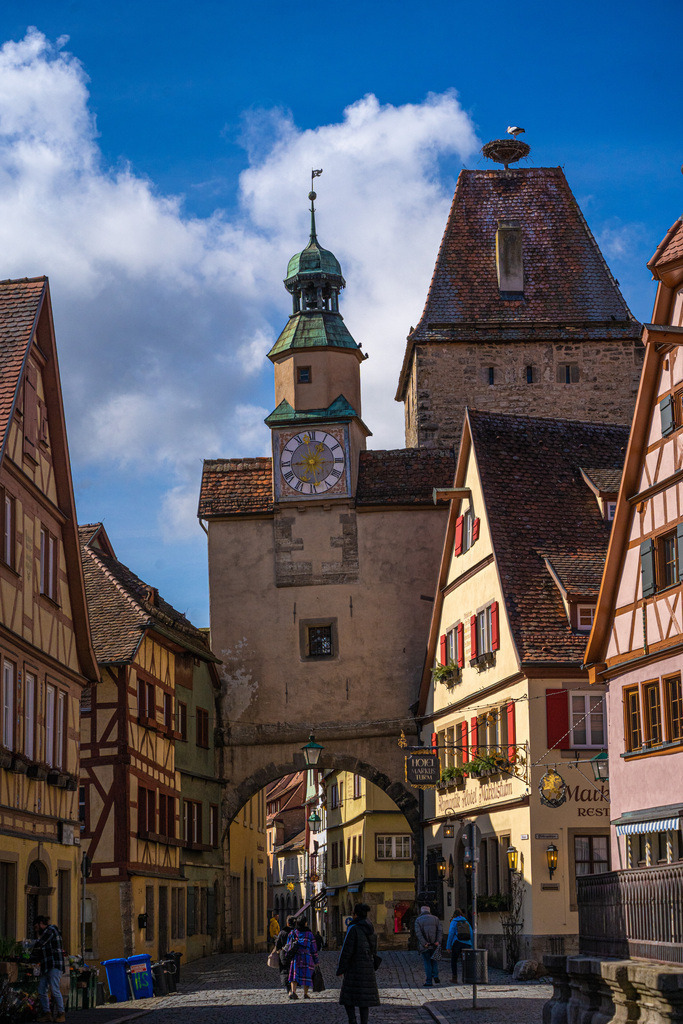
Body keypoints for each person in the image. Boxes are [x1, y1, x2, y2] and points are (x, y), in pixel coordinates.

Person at [337, 903, 380, 1024]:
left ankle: (352, 1020)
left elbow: (347, 950)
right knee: (364, 1000)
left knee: (348, 998)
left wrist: (341, 969)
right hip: (367, 968)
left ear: (355, 915)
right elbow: (374, 949)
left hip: (354, 968)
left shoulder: (354, 928)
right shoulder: (370, 927)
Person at [33, 915, 66, 1023]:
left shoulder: (50, 930)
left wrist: (28, 946)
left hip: (54, 965)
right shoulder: (47, 931)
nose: (35, 928)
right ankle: (47, 1013)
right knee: (42, 990)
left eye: (36, 926)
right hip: (46, 966)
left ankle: (61, 1013)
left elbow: (40, 943)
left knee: (54, 989)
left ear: (41, 923)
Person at [287, 914, 319, 1000]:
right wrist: (316, 960)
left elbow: (288, 945)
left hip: (296, 957)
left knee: (294, 975)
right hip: (306, 957)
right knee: (307, 975)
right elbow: (313, 948)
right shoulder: (309, 934)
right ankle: (305, 993)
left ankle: (293, 992)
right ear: (305, 923)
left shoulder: (293, 933)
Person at [414, 904, 442, 987]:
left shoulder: (418, 920)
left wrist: (424, 943)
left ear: (421, 911)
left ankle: (429, 981)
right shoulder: (436, 919)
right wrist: (438, 941)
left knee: (427, 962)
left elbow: (418, 933)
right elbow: (440, 931)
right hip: (434, 944)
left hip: (425, 945)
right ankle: (436, 975)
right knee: (434, 960)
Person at [446, 907, 472, 983]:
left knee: (454, 960)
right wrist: (472, 945)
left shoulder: (454, 922)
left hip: (457, 943)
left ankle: (454, 978)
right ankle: (467, 977)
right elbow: (471, 934)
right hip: (467, 943)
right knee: (466, 961)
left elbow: (450, 934)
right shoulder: (466, 921)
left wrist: (448, 946)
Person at [275, 915, 296, 994]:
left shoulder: (282, 932)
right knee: (293, 970)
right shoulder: (296, 932)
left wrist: (278, 951)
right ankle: (293, 989)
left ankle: (289, 990)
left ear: (287, 923)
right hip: (294, 954)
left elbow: (278, 944)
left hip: (284, 954)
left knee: (285, 971)